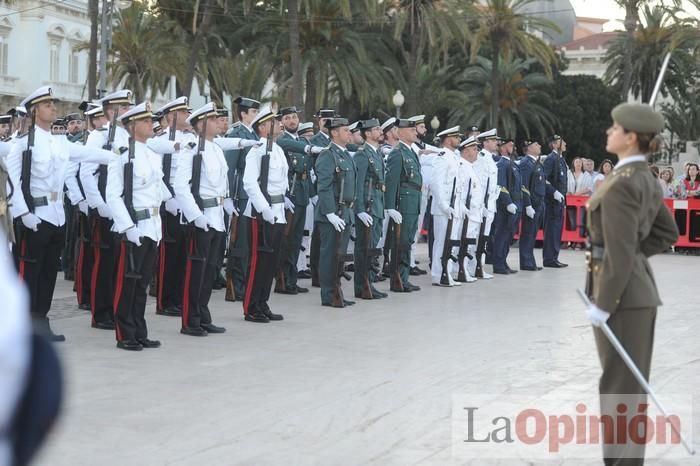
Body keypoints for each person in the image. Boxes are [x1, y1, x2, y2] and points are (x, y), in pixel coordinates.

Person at [584, 102, 678, 465]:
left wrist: (603, 302)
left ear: (631, 137)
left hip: (621, 299)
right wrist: (634, 262)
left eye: (615, 128)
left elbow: (620, 253)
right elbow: (666, 232)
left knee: (619, 389)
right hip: (634, 294)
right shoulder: (641, 176)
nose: (609, 132)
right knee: (625, 389)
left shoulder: (624, 183)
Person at [7, 86, 116, 341]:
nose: (53, 108)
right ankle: (22, 326)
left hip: (57, 216)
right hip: (36, 217)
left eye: (53, 104)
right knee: (29, 276)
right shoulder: (23, 145)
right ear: (34, 112)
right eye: (47, 105)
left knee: (47, 276)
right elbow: (10, 182)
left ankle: (41, 321)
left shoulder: (59, 142)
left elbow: (87, 153)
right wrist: (23, 214)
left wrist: (116, 157)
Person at [105, 101, 168, 351]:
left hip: (152, 225)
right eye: (144, 121)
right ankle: (125, 333)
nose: (149, 124)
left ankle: (140, 331)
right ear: (131, 126)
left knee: (142, 283)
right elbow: (113, 195)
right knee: (127, 283)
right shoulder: (121, 155)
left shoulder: (152, 154)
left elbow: (157, 191)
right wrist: (127, 227)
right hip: (134, 225)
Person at [82, 90, 132, 332]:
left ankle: (115, 309)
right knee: (104, 262)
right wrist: (99, 206)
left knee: (118, 262)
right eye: (123, 107)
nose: (126, 111)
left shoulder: (125, 135)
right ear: (110, 110)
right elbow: (86, 173)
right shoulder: (99, 136)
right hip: (104, 209)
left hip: (120, 208)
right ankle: (100, 313)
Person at [242, 108, 288, 322]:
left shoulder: (277, 149)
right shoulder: (257, 150)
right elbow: (250, 183)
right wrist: (264, 209)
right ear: (261, 127)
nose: (278, 124)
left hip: (277, 211)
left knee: (271, 261)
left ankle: (263, 302)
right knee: (258, 260)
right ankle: (251, 306)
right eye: (272, 122)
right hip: (261, 214)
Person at [274, 106, 323, 295]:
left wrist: (312, 194)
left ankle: (292, 279)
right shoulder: (282, 140)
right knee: (286, 240)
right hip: (290, 195)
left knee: (295, 240)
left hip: (302, 195)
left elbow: (307, 172)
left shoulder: (301, 139)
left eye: (294, 117)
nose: (292, 120)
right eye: (288, 118)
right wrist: (284, 196)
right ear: (282, 122)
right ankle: (282, 280)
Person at [223, 96, 260, 302]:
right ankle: (235, 284)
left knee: (250, 242)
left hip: (252, 195)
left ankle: (245, 281)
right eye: (253, 112)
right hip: (241, 195)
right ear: (243, 114)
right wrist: (228, 196)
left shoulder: (253, 134)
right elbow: (230, 169)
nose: (256, 115)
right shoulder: (236, 134)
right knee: (240, 243)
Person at [384, 119, 422, 292]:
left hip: (413, 201)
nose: (416, 133)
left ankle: (403, 277)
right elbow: (391, 181)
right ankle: (398, 279)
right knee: (400, 242)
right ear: (402, 132)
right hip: (404, 203)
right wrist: (390, 206)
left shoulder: (410, 152)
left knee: (407, 241)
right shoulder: (397, 153)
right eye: (412, 130)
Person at [352, 118, 388, 299]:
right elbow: (358, 185)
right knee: (363, 248)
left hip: (377, 206)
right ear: (367, 133)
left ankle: (369, 283)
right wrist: (359, 209)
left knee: (372, 248)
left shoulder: (377, 153)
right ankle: (362, 285)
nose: (380, 131)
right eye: (376, 129)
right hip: (367, 206)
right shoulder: (362, 154)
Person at [429, 126, 462, 286]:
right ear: (449, 139)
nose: (459, 140)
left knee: (451, 242)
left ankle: (447, 272)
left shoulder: (454, 157)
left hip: (453, 207)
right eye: (457, 137)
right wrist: (443, 205)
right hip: (443, 208)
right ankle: (438, 274)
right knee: (442, 242)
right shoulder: (442, 157)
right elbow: (436, 183)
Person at [542, 134, 569, 268]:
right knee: (552, 230)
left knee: (557, 230)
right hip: (552, 201)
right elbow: (544, 179)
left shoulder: (560, 159)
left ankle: (554, 257)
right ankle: (549, 259)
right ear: (554, 145)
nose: (564, 144)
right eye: (561, 142)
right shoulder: (551, 159)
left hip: (559, 201)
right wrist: (554, 192)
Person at [518, 140, 545, 271]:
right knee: (528, 233)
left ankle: (530, 261)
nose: (539, 146)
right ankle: (526, 262)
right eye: (536, 144)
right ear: (528, 148)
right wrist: (527, 205)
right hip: (532, 204)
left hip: (538, 203)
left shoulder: (536, 162)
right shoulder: (525, 163)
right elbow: (524, 185)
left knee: (532, 234)